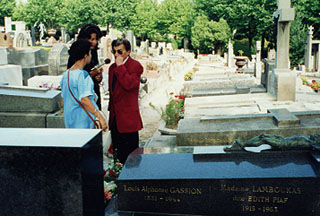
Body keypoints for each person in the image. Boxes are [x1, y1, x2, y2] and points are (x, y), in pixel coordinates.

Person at [108, 38, 143, 164]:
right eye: (114, 52)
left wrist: (121, 67)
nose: (116, 55)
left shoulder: (135, 66)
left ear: (128, 51)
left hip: (128, 119)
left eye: (120, 52)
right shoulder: (112, 68)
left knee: (131, 157)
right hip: (116, 118)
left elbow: (129, 85)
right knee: (118, 157)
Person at [60, 39, 107, 130]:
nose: (91, 55)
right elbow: (84, 99)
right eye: (90, 52)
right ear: (85, 55)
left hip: (70, 122)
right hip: (84, 122)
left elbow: (63, 101)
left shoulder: (66, 74)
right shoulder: (83, 76)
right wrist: (100, 117)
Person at [67, 24, 104, 110]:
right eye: (91, 39)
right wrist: (91, 74)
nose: (94, 42)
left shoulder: (93, 53)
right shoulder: (75, 55)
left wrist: (98, 76)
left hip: (93, 91)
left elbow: (94, 69)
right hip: (82, 97)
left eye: (96, 39)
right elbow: (73, 79)